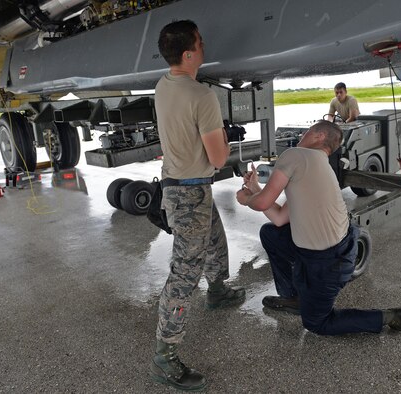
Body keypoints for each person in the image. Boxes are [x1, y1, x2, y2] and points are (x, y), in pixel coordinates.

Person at [236, 120, 401, 337]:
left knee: (318, 324)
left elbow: (262, 203)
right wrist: (255, 188)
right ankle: (295, 298)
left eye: (307, 132)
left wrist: (247, 198)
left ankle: (392, 316)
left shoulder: (296, 154)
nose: (301, 137)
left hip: (329, 262)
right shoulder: (316, 167)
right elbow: (279, 218)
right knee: (271, 234)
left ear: (318, 135)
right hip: (333, 254)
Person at [152, 20, 245, 391]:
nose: (205, 46)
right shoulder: (202, 96)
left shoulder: (163, 84)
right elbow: (219, 157)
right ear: (189, 54)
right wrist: (222, 133)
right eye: (200, 42)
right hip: (190, 192)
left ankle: (219, 290)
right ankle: (165, 359)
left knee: (215, 240)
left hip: (180, 187)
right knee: (183, 276)